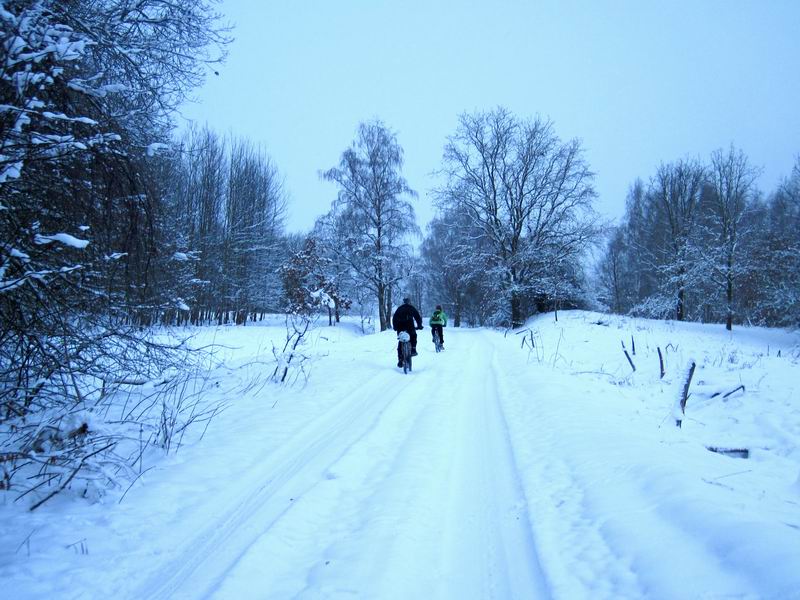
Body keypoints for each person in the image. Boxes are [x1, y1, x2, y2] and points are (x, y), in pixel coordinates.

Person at [391, 297, 423, 368]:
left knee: (400, 342)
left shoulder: (399, 309)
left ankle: (400, 360)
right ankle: (413, 349)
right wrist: (419, 325)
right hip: (410, 327)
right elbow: (417, 317)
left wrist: (395, 327)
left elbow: (394, 318)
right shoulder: (411, 308)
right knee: (413, 336)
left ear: (403, 302)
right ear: (409, 302)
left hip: (400, 327)